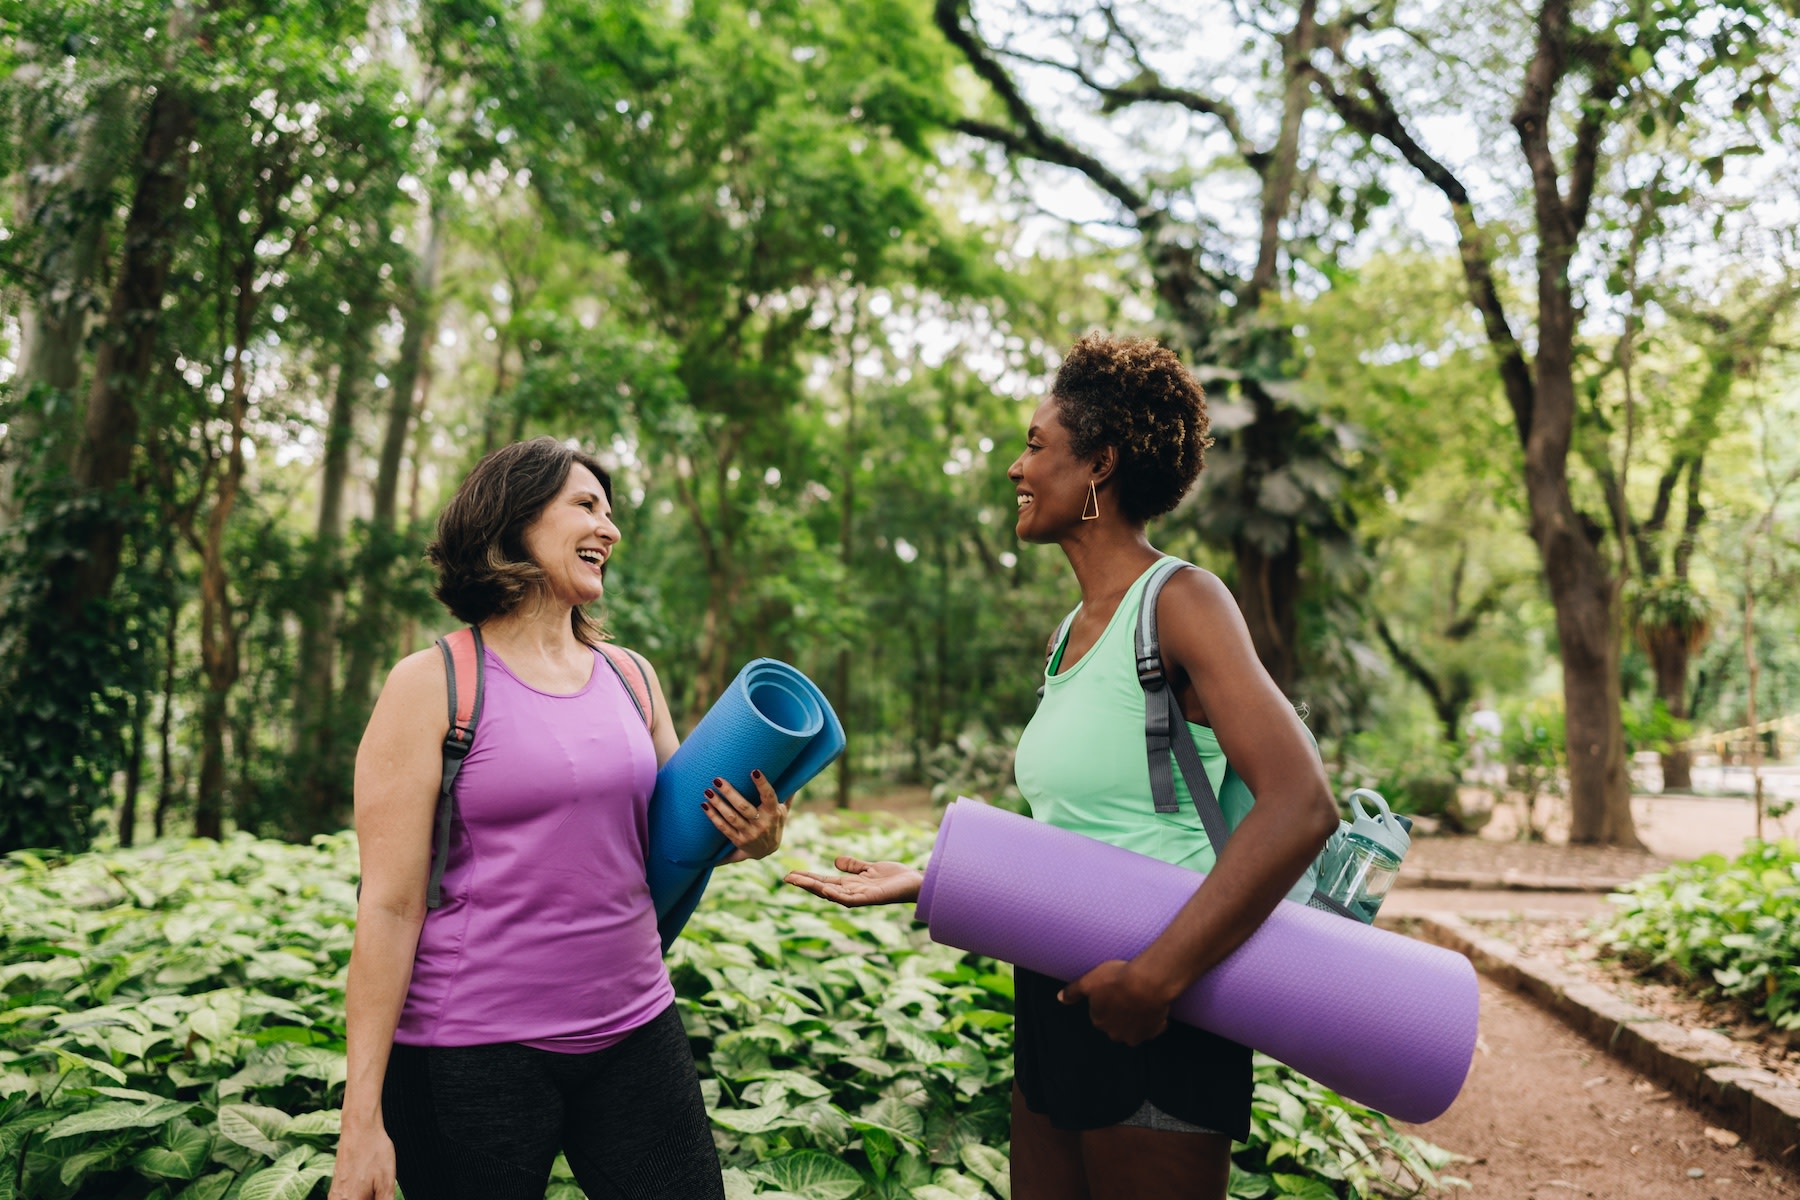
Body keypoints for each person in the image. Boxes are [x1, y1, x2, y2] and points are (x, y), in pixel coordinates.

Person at [784, 334, 1339, 1200]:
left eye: (1037, 445)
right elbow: (1083, 834)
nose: (1016, 467)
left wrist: (1156, 980)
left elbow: (1303, 804)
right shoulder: (1069, 635)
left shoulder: (1183, 602)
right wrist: (934, 877)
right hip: (1058, 992)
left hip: (1163, 1003)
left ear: (1101, 466)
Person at [329, 436, 784, 1200]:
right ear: (514, 521)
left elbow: (680, 835)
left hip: (637, 1028)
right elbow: (389, 904)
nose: (609, 529)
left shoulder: (632, 677)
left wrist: (753, 837)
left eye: (611, 513)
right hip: (472, 1052)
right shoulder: (431, 683)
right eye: (586, 506)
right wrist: (359, 1120)